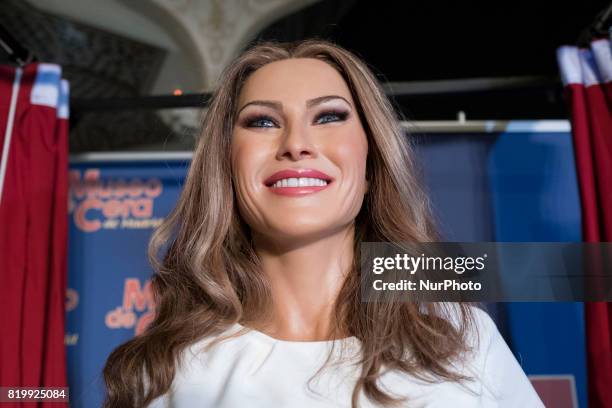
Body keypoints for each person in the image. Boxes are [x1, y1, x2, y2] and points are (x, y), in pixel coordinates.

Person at [103, 39, 543, 408]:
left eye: (329, 116)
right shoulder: (163, 374)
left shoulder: (460, 337)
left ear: (371, 164)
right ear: (226, 169)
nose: (296, 143)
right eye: (262, 121)